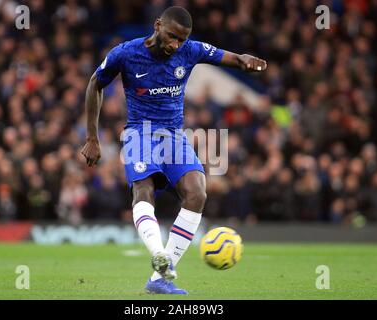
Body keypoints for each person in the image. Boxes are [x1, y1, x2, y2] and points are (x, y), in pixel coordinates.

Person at [81, 6, 267, 294]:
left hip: (174, 135)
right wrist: (92, 137)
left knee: (197, 192)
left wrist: (243, 60)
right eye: (171, 37)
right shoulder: (126, 53)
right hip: (139, 133)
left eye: (181, 39)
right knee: (143, 189)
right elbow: (95, 83)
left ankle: (160, 278)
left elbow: (224, 56)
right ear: (157, 25)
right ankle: (158, 253)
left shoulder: (189, 50)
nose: (174, 45)